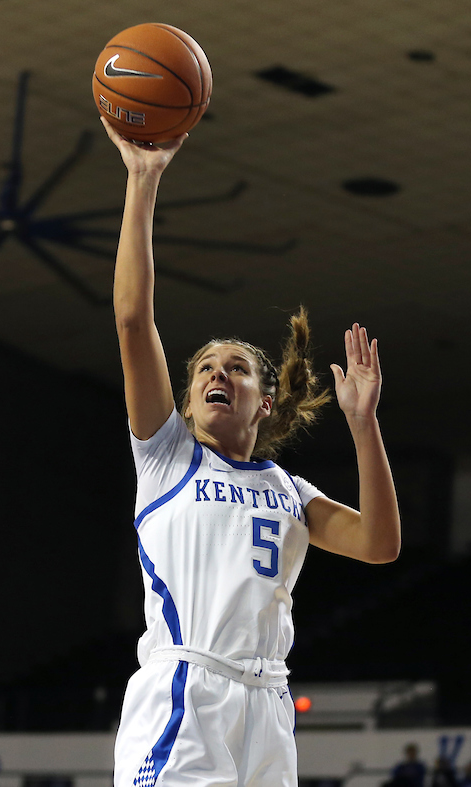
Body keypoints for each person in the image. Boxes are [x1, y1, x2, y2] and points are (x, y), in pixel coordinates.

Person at [101, 118, 402, 787]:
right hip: (187, 691)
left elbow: (381, 545)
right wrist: (143, 179)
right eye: (205, 367)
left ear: (264, 400)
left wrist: (363, 424)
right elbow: (132, 317)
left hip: (268, 708)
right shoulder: (167, 457)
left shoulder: (288, 490)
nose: (216, 374)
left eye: (235, 368)